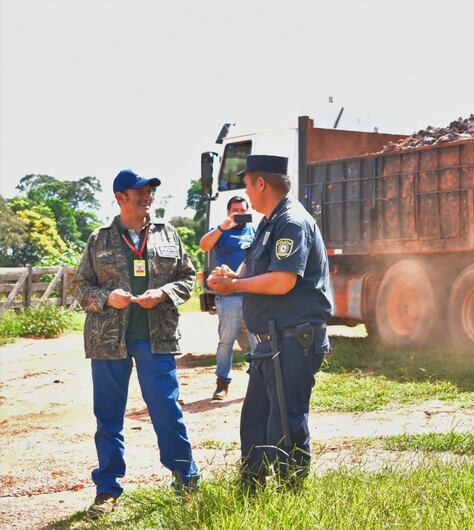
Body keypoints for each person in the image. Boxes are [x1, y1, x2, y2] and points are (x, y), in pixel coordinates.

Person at [73, 169, 200, 516]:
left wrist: (163, 293)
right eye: (139, 191)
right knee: (108, 417)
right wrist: (105, 298)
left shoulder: (168, 233)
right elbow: (80, 287)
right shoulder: (99, 239)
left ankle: (186, 481)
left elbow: (188, 278)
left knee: (166, 411)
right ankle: (107, 489)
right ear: (120, 197)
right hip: (108, 341)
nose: (147, 196)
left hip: (155, 339)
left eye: (149, 190)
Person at [207, 154, 333, 489]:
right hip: (270, 342)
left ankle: (291, 494)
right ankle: (254, 488)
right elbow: (253, 272)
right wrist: (228, 278)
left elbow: (282, 280)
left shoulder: (291, 221)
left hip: (293, 339)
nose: (246, 191)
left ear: (260, 183)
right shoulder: (268, 222)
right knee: (256, 421)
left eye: (247, 183)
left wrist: (235, 285)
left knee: (285, 421)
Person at [198, 196, 258, 400]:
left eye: (243, 210)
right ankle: (222, 383)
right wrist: (222, 228)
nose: (239, 214)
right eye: (235, 210)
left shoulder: (255, 231)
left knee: (256, 340)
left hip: (252, 294)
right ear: (227, 211)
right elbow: (204, 246)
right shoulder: (221, 230)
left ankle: (257, 382)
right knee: (226, 341)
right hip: (229, 296)